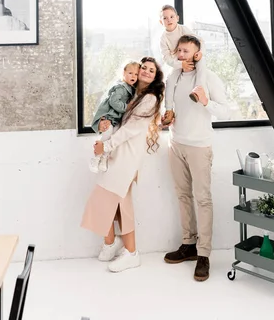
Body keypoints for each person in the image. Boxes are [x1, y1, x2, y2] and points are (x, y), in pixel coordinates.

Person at [81, 57, 164, 273]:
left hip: (127, 158)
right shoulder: (133, 95)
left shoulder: (150, 99)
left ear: (156, 76)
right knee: (114, 204)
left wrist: (106, 146)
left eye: (151, 70)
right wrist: (105, 123)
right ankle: (113, 244)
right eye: (143, 68)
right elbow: (119, 123)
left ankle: (130, 252)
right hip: (119, 156)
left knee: (117, 204)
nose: (145, 71)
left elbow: (131, 130)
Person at [164, 35, 230, 282]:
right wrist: (167, 118)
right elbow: (171, 105)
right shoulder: (173, 77)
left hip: (200, 147)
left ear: (197, 54)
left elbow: (226, 111)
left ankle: (204, 254)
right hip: (175, 143)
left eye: (186, 51)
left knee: (203, 199)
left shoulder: (209, 78)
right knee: (183, 195)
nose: (181, 54)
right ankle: (188, 244)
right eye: (179, 50)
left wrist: (206, 102)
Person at [159, 4, 207, 125]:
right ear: (161, 22)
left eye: (171, 16)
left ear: (177, 18)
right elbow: (167, 58)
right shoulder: (163, 38)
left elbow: (199, 40)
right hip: (177, 62)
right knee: (169, 81)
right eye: (165, 18)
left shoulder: (183, 29)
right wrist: (181, 65)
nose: (169, 20)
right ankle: (169, 110)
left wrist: (200, 53)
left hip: (191, 56)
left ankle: (197, 90)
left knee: (202, 65)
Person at [89, 61, 140, 173]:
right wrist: (126, 107)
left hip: (116, 118)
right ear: (124, 73)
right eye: (130, 73)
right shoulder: (120, 87)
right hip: (109, 115)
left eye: (136, 74)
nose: (133, 76)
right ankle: (96, 157)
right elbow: (113, 101)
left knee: (113, 136)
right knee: (108, 132)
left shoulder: (131, 88)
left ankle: (104, 158)